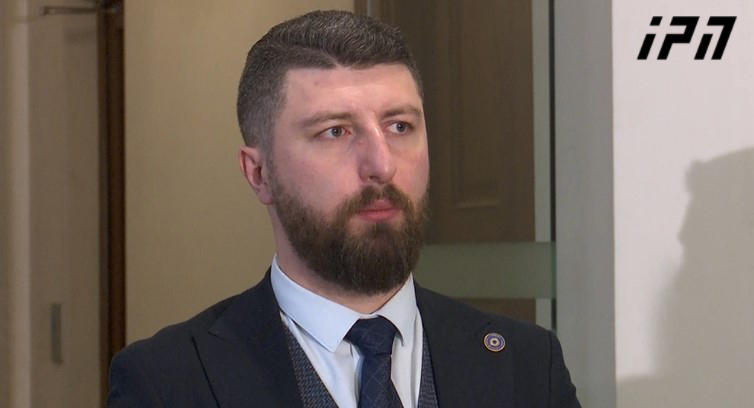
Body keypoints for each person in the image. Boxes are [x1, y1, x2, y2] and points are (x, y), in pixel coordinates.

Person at [108, 10, 580, 408]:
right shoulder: (166, 382)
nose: (382, 165)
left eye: (399, 126)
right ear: (259, 173)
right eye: (335, 131)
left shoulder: (526, 366)